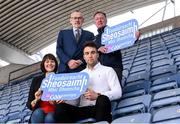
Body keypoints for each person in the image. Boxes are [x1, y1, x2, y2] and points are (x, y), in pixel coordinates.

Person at [54, 41, 122, 123]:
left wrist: (98, 95)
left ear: (97, 54)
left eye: (92, 52)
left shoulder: (108, 70)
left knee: (102, 99)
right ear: (84, 57)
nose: (90, 56)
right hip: (82, 109)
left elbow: (118, 92)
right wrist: (65, 99)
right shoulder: (80, 75)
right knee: (60, 107)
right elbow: (76, 101)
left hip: (99, 108)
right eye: (87, 53)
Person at [93, 11, 124, 86]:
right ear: (95, 22)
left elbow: (127, 39)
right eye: (97, 19)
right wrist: (98, 50)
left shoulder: (115, 32)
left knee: (115, 92)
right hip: (101, 71)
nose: (99, 20)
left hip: (115, 68)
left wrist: (135, 38)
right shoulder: (95, 39)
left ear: (106, 20)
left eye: (101, 18)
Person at [26, 53, 59, 123]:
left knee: (49, 118)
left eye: (52, 61)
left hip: (55, 110)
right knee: (38, 112)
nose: (50, 63)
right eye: (47, 62)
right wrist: (35, 100)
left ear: (55, 64)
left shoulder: (61, 78)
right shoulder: (36, 80)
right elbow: (29, 103)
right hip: (39, 110)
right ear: (43, 64)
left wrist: (55, 102)